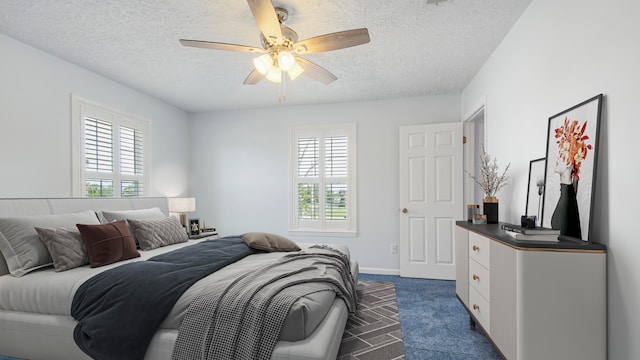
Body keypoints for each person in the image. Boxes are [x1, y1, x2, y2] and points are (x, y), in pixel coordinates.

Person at [550, 117, 592, 239]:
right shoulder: (567, 197)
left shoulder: (567, 200)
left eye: (562, 156)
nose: (557, 159)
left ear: (569, 163)